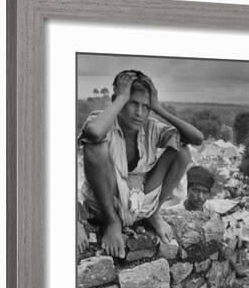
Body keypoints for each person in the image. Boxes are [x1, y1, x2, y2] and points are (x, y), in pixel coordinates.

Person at [79, 69, 204, 257]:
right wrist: (121, 97)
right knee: (95, 146)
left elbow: (197, 138)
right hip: (106, 204)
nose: (139, 113)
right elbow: (94, 133)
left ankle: (153, 213)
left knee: (182, 151)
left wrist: (158, 108)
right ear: (117, 101)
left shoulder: (151, 127)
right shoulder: (102, 121)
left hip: (141, 202)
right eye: (132, 104)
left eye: (145, 107)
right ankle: (112, 223)